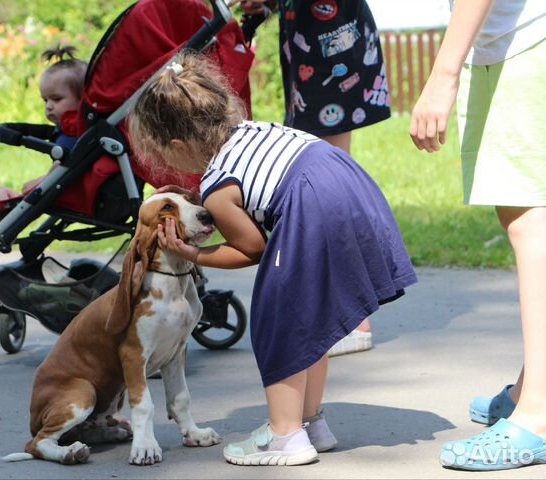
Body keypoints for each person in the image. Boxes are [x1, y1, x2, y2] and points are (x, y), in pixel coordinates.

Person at [128, 53, 417, 466]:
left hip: (312, 203)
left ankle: (285, 436)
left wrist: (192, 253)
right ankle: (311, 422)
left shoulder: (216, 185)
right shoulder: (254, 130)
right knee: (311, 316)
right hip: (349, 183)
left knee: (278, 319)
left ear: (177, 146)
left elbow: (251, 249)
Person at [410, 0, 546, 471]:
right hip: (516, 41)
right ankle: (535, 388)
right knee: (527, 216)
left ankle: (538, 416)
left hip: (524, 43)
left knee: (532, 223)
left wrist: (443, 73)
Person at [240, 0, 392, 356]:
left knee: (330, 182)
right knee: (326, 179)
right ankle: (345, 312)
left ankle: (353, 316)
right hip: (312, 45)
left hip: (332, 44)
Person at [0, 45, 87, 201]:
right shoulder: (71, 128)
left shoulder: (77, 131)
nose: (48, 106)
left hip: (72, 191)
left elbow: (63, 168)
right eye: (45, 100)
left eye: (56, 99)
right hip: (75, 187)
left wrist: (41, 183)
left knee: (6, 193)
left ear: (82, 98)